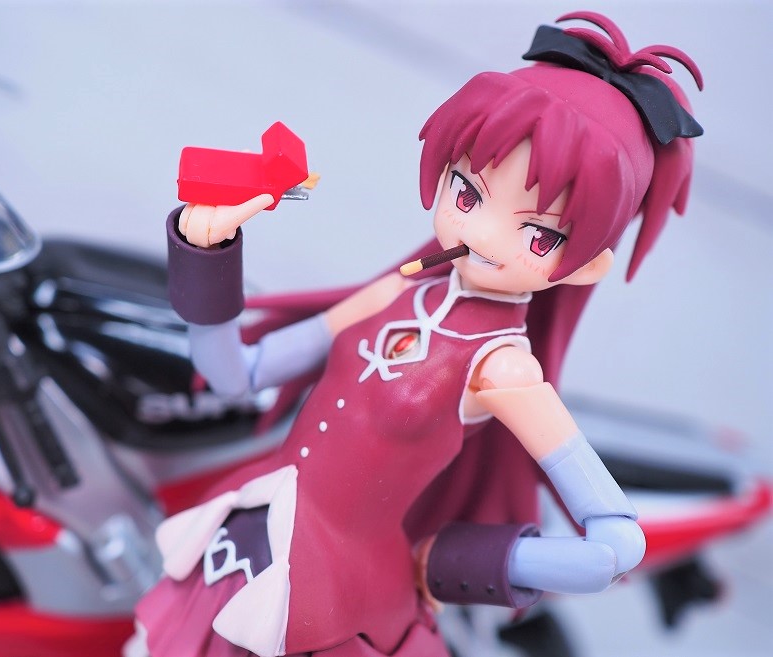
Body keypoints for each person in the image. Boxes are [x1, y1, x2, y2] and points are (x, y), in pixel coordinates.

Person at [129, 11, 703, 657]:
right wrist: (208, 252)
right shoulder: (396, 291)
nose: (481, 234)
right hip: (251, 532)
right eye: (467, 194)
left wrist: (457, 561)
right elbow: (236, 374)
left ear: (588, 265)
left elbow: (614, 544)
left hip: (337, 596)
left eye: (539, 234)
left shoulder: (503, 368)